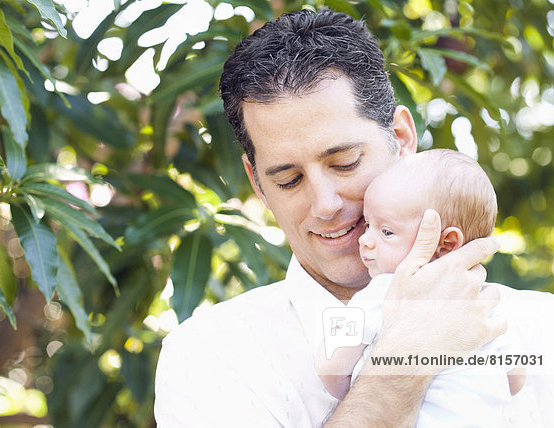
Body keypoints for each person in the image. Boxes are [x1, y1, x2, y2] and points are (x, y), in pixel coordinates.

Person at [154, 9, 550, 427]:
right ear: (258, 185)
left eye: (345, 163)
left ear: (401, 139)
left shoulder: (541, 326)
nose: (325, 204)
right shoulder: (209, 355)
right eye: (289, 179)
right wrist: (404, 356)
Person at [315, 149, 525, 426]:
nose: (365, 240)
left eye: (386, 232)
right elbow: (516, 379)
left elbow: (330, 367)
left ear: (445, 244)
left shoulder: (383, 290)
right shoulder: (484, 302)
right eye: (368, 225)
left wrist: (357, 388)